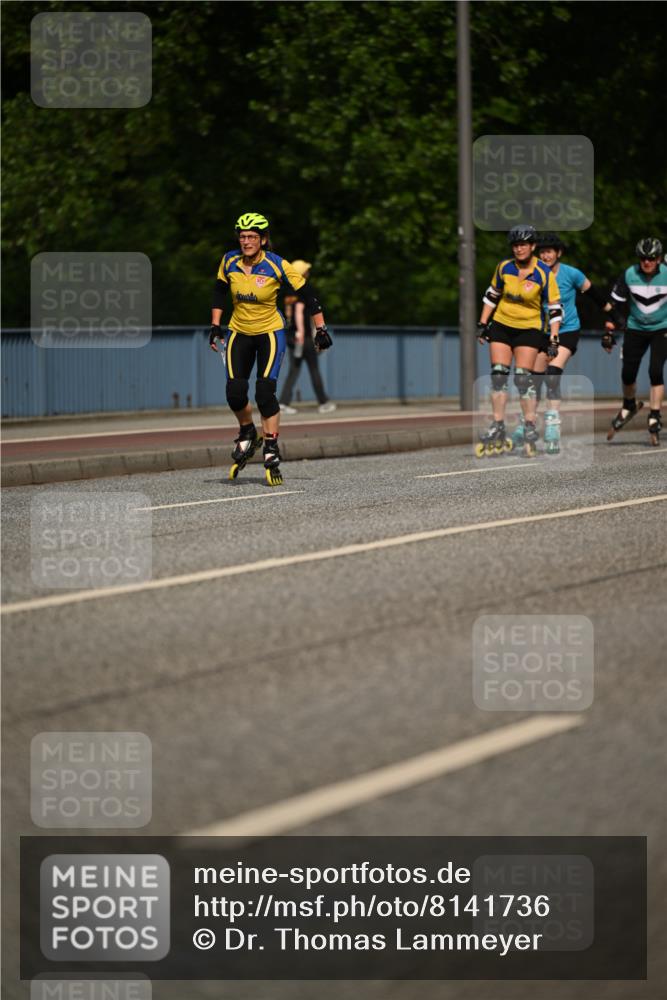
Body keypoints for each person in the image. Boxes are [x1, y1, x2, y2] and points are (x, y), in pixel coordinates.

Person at [209, 212, 332, 485]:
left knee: (264, 393)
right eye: (242, 237)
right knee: (235, 392)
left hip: (270, 333)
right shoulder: (229, 261)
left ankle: (271, 447)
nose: (246, 241)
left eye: (252, 237)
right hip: (239, 331)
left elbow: (308, 294)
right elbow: (219, 291)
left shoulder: (276, 265)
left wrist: (321, 329)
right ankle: (247, 432)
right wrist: (216, 326)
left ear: (263, 239)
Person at [516, 233, 610, 453]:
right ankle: (528, 422)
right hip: (541, 332)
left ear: (558, 253)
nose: (546, 255)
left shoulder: (571, 273)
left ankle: (552, 426)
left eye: (550, 251)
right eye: (542, 252)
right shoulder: (532, 272)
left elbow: (594, 294)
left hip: (566, 331)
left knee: (552, 374)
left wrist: (612, 315)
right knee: (534, 382)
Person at [477, 224, 562, 456]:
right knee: (498, 375)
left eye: (523, 244)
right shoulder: (504, 268)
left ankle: (530, 424)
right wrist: (483, 324)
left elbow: (554, 308)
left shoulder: (543, 272)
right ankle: (497, 425)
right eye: (515, 245)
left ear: (533, 246)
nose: (519, 249)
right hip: (502, 325)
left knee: (524, 380)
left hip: (529, 329)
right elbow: (492, 295)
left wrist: (554, 337)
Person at [603, 237, 667, 446]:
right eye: (642, 258)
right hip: (636, 328)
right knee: (627, 373)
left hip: (662, 329)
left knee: (655, 370)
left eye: (651, 258)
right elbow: (614, 303)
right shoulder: (630, 274)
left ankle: (655, 414)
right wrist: (609, 330)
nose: (646, 262)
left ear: (658, 259)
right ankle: (629, 404)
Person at [279, 260, 337, 415]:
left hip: (290, 337)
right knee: (314, 369)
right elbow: (299, 311)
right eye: (306, 271)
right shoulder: (301, 291)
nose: (308, 273)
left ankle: (283, 403)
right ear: (302, 274)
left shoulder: (286, 293)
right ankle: (323, 403)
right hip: (302, 337)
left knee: (294, 370)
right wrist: (301, 333)